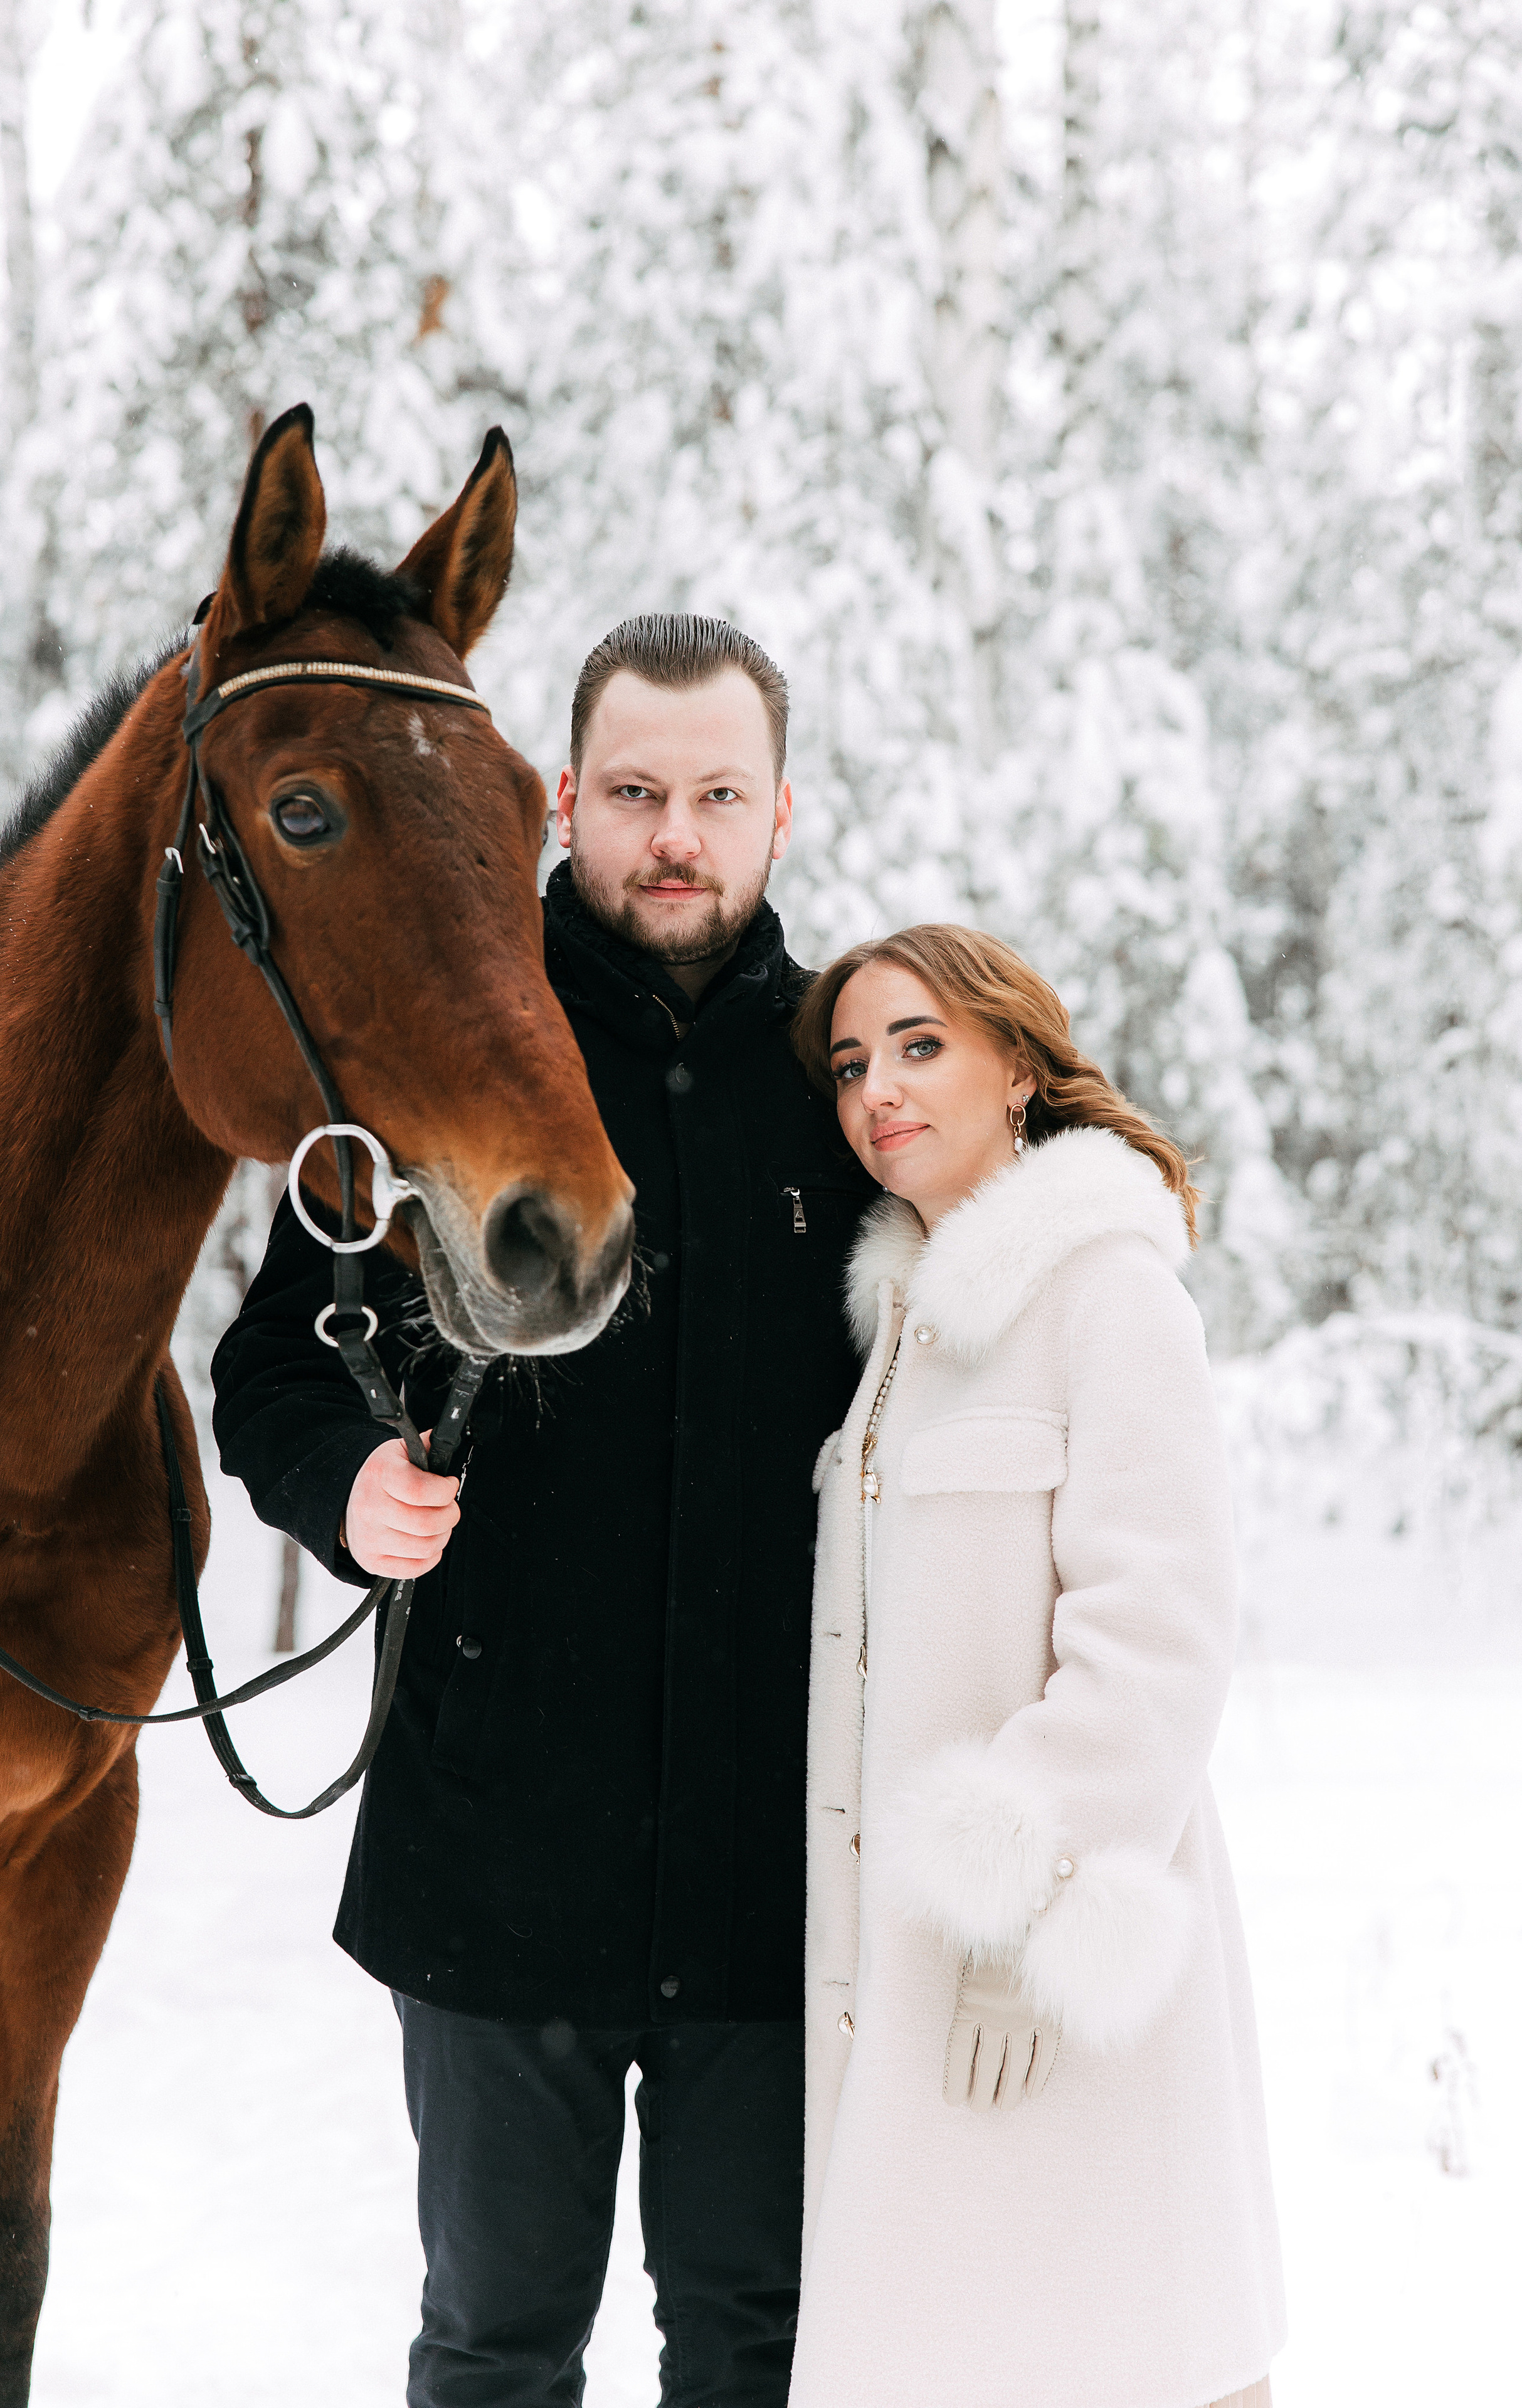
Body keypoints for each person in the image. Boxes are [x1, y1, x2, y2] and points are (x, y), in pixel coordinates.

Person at [211, 613, 875, 2408]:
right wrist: (344, 1486)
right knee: (496, 2352)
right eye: (639, 792)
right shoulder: (441, 1044)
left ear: (780, 813)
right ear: (566, 800)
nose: (677, 836)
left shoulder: (850, 1083)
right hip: (497, 1858)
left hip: (775, 1873)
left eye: (718, 796)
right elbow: (270, 1370)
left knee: (760, 2350)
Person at [785, 924, 1285, 2408]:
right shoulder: (903, 1333)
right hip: (911, 1981)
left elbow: (1158, 1633)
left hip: (1057, 1976)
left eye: (918, 1045)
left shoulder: (1104, 1289)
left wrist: (1022, 1906)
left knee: (1109, 2349)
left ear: (1016, 1065)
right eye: (850, 1065)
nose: (876, 1089)